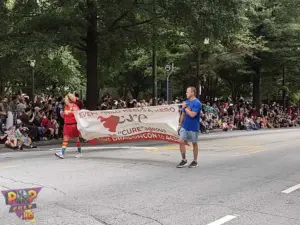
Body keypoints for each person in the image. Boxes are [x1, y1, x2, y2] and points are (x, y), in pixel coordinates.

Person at [177, 87, 202, 168]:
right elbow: (183, 114)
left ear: (193, 93)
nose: (186, 93)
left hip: (193, 126)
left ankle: (195, 161)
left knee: (194, 143)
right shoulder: (186, 102)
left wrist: (185, 107)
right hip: (185, 126)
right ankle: (184, 160)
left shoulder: (197, 103)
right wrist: (180, 125)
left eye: (187, 92)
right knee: (181, 141)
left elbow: (192, 114)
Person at [55, 93, 82, 159]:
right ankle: (62, 153)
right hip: (67, 126)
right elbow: (65, 117)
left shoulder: (75, 107)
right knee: (65, 139)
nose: (65, 99)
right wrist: (62, 115)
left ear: (69, 100)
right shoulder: (66, 107)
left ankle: (80, 153)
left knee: (77, 139)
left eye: (66, 98)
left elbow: (79, 117)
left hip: (73, 126)